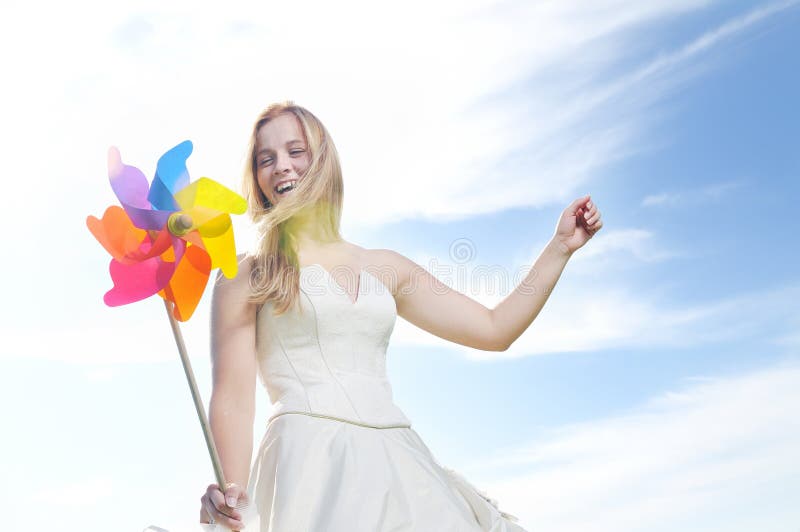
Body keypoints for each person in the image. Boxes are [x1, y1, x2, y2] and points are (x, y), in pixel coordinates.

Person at [198, 101, 603, 531]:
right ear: (257, 179)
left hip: (398, 460)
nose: (281, 166)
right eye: (267, 159)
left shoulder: (386, 265)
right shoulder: (247, 272)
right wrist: (233, 493)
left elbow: (493, 329)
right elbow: (234, 399)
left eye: (295, 151)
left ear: (322, 160)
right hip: (309, 461)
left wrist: (559, 249)